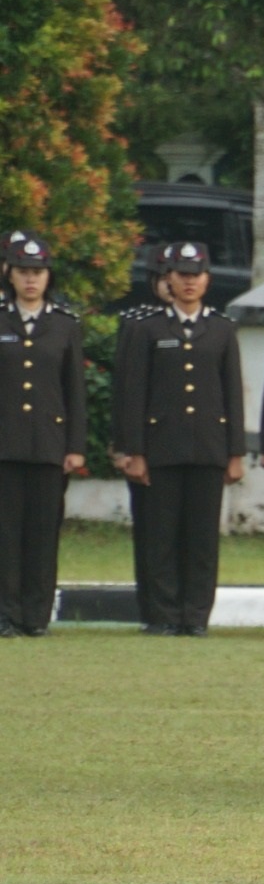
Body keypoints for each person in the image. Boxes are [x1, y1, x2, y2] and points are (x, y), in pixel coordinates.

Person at [112, 241, 245, 636]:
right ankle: (163, 614)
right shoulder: (147, 328)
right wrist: (132, 450)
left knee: (202, 539)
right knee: (160, 536)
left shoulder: (221, 329)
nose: (189, 283)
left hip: (208, 447)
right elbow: (133, 393)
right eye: (182, 275)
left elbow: (233, 394)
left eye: (196, 275)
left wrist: (235, 452)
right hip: (160, 448)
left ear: (207, 279)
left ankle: (195, 616)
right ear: (168, 279)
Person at [0, 231, 88, 636]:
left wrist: (75, 447)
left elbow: (74, 391)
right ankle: (6, 614)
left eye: (38, 272)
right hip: (5, 445)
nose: (31, 280)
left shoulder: (64, 324)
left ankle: (36, 617)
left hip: (50, 447)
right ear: (10, 274)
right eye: (23, 272)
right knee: (5, 535)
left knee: (42, 535)